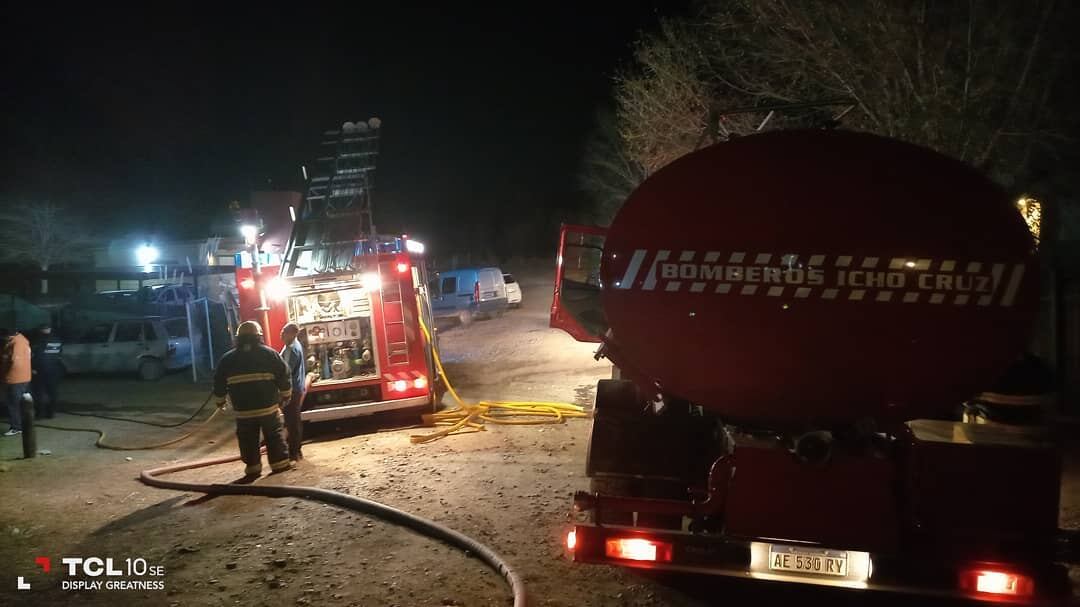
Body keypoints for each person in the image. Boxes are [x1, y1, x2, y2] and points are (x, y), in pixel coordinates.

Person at [213, 321, 294, 477]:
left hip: (243, 412)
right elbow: (284, 375)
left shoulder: (227, 359)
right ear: (259, 336)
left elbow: (219, 382)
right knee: (274, 435)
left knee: (247, 439)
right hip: (268, 408)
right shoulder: (270, 354)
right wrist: (286, 394)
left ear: (238, 338)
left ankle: (253, 468)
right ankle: (280, 465)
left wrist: (220, 401)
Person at [279, 322, 307, 461]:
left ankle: (294, 453)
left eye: (284, 331)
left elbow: (286, 372)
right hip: (297, 388)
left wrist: (281, 391)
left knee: (292, 422)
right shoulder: (296, 345)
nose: (281, 333)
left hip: (291, 390)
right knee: (294, 420)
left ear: (292, 334)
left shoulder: (291, 349)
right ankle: (296, 450)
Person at [1, 328, 32, 436]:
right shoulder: (23, 340)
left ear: (8, 336)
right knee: (23, 403)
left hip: (15, 379)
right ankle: (25, 424)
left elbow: (15, 362)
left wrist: (5, 375)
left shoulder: (16, 343)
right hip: (24, 377)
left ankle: (16, 427)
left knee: (12, 403)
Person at [30, 325, 62, 419]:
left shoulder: (38, 341)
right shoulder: (57, 341)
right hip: (54, 370)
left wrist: (33, 368)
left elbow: (36, 357)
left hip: (40, 371)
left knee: (38, 393)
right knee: (53, 392)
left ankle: (39, 414)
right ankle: (51, 413)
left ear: (41, 330)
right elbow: (59, 354)